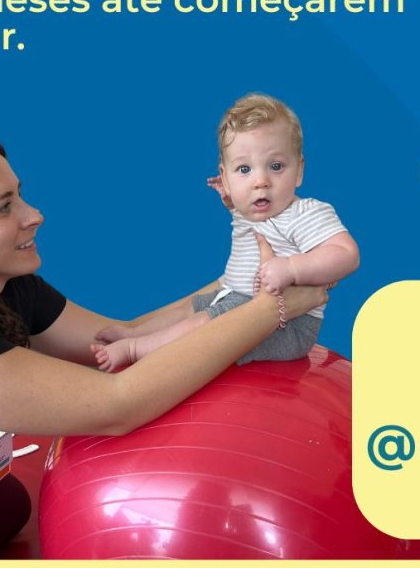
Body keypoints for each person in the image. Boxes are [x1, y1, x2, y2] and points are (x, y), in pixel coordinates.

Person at [0, 130, 326, 555]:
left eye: (20, 194)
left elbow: (123, 341)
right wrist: (271, 309)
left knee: (2, 514)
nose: (33, 214)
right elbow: (116, 405)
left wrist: (245, 279)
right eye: (4, 208)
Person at [91, 93, 358, 371]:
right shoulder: (250, 212)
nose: (260, 181)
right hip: (235, 298)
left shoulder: (305, 213)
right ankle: (135, 334)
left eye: (276, 167)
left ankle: (135, 350)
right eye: (244, 169)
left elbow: (346, 254)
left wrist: (292, 268)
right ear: (225, 176)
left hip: (287, 326)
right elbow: (254, 231)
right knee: (192, 307)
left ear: (299, 171)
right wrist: (232, 203)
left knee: (205, 322)